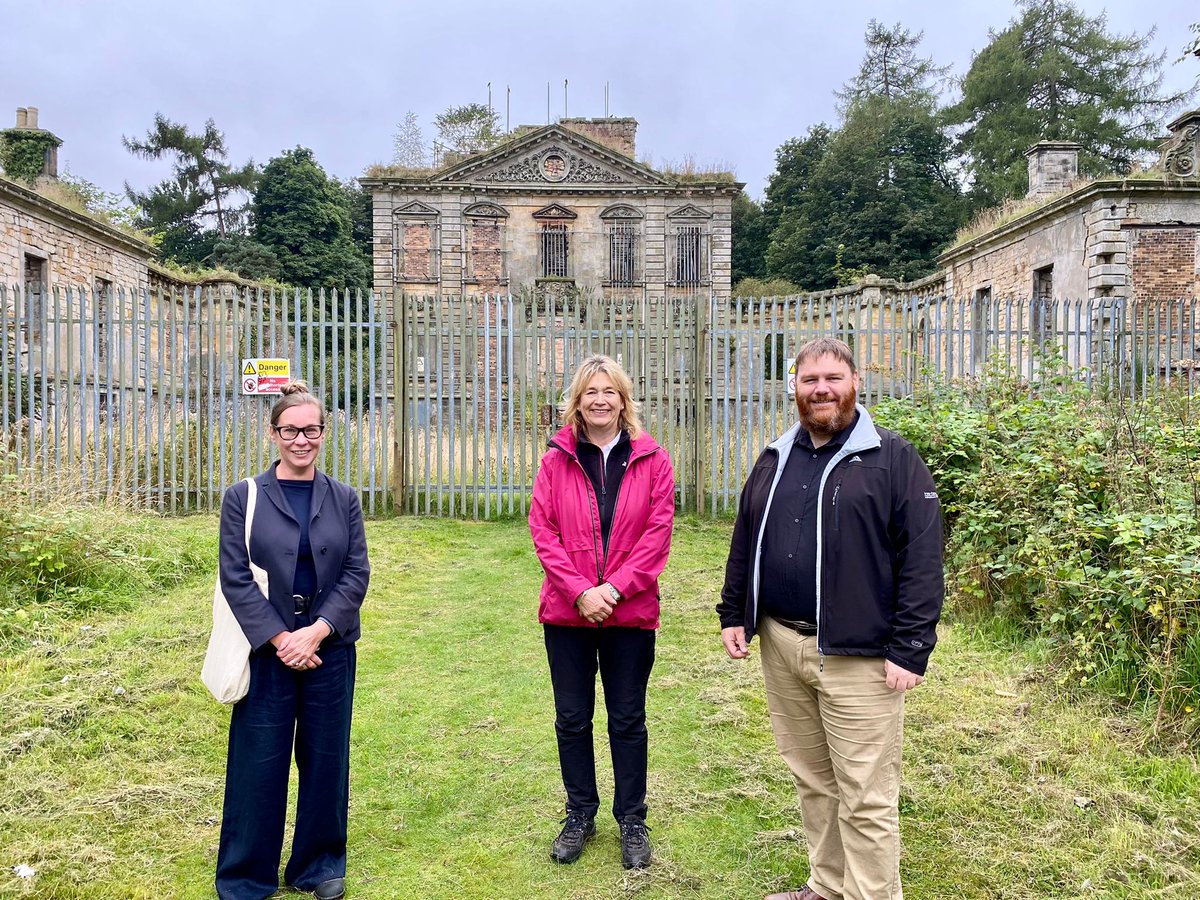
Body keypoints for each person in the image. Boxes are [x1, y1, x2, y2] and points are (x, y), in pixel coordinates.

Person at [716, 338, 943, 900]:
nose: (821, 390)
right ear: (792, 386)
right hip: (783, 646)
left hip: (858, 656)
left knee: (865, 794)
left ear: (856, 382)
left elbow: (922, 555)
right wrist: (733, 611)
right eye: (810, 379)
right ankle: (826, 886)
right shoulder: (776, 456)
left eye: (832, 379)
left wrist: (911, 646)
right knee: (815, 782)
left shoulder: (892, 458)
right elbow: (747, 537)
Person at [215, 381, 370, 900]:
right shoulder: (243, 497)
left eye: (311, 430)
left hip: (330, 647)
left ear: (324, 433)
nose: (301, 440)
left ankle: (318, 865)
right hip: (269, 650)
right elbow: (235, 576)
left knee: (327, 758)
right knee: (258, 762)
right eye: (290, 430)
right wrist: (283, 638)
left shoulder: (344, 498)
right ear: (273, 433)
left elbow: (355, 573)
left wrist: (318, 632)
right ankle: (245, 875)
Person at [529, 354, 676, 870]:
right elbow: (543, 532)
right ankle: (580, 813)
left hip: (629, 615)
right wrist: (580, 592)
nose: (599, 400)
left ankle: (632, 819)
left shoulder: (652, 460)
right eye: (590, 391)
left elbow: (657, 536)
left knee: (627, 718)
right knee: (572, 718)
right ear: (577, 400)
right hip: (568, 615)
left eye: (608, 391)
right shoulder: (556, 460)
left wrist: (612, 589)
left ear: (623, 399)